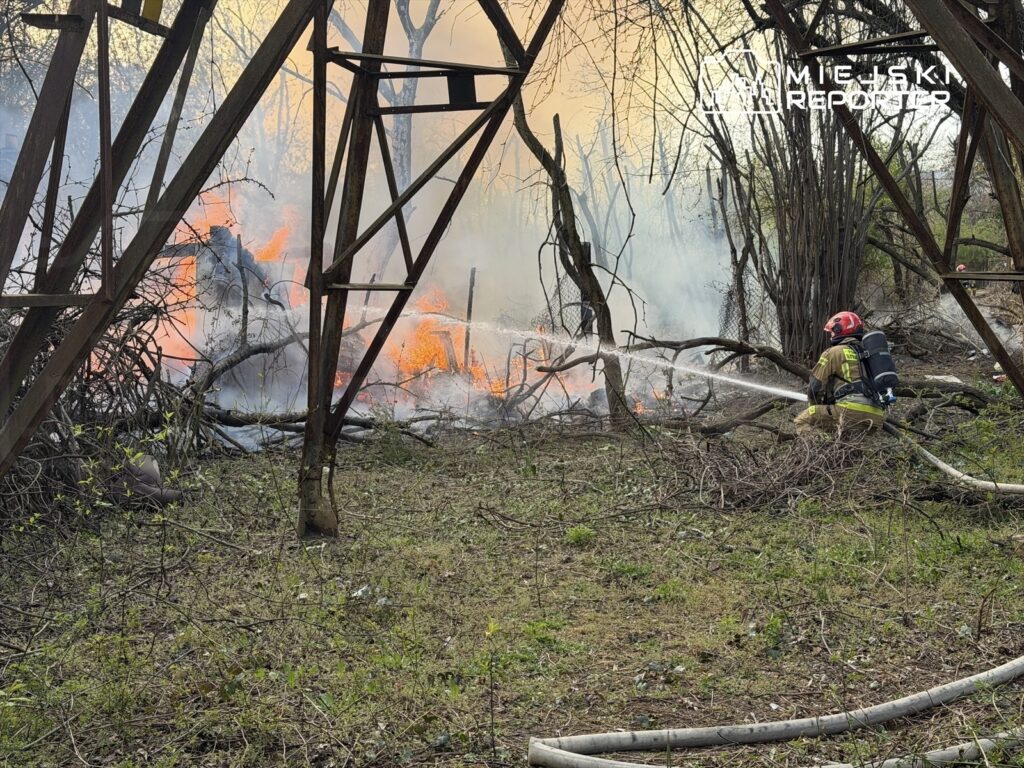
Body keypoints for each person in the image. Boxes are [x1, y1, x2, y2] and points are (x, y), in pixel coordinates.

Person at [794, 311, 886, 435]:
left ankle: (824, 446)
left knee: (802, 421)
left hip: (850, 412)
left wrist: (815, 406)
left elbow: (814, 387)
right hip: (876, 417)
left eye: (832, 331)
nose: (831, 335)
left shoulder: (834, 352)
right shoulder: (868, 353)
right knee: (841, 430)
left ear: (839, 330)